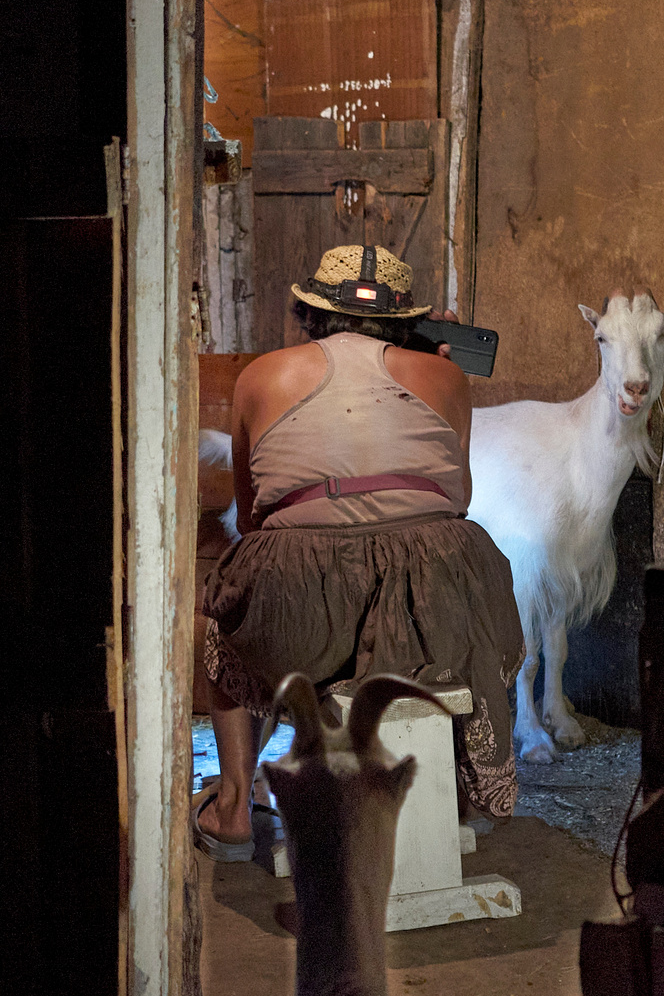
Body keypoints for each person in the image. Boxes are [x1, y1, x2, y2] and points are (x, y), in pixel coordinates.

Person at [193, 241, 523, 861]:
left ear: (311, 313)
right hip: (437, 605)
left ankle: (234, 806)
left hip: (305, 610)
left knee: (225, 623)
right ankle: (455, 793)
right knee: (472, 567)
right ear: (406, 322)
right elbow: (459, 498)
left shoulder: (261, 375)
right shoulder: (446, 376)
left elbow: (255, 511)